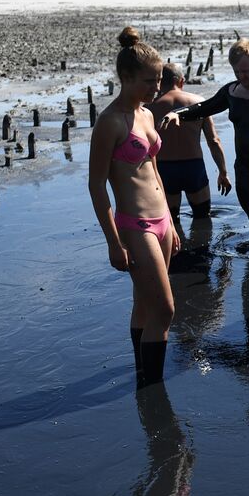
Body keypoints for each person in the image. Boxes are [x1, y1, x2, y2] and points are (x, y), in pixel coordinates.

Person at [88, 27, 179, 389]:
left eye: (158, 81)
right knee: (165, 310)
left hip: (162, 221)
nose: (155, 89)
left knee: (144, 304)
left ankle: (143, 379)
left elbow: (153, 170)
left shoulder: (146, 114)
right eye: (148, 82)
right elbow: (96, 186)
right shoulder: (109, 122)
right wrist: (113, 242)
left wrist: (172, 221)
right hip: (134, 225)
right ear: (125, 78)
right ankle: (155, 393)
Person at [161, 39, 249, 252]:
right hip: (244, 171)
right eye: (237, 72)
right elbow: (204, 107)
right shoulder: (231, 92)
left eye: (247, 71)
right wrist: (177, 114)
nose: (242, 77)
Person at [148, 63, 231, 221]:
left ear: (160, 82)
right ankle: (201, 245)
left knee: (171, 221)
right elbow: (213, 141)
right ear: (181, 81)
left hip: (164, 169)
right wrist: (223, 172)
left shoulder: (149, 108)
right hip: (193, 167)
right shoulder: (198, 103)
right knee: (203, 218)